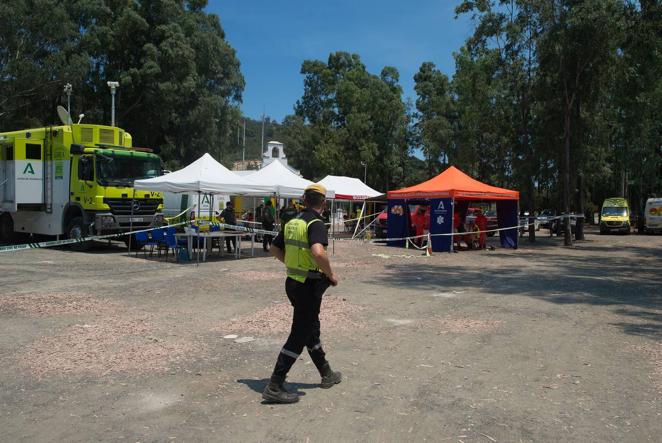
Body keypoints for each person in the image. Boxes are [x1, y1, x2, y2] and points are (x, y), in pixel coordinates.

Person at [262, 184, 341, 404]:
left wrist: (292, 264)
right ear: (323, 203)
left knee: (310, 329)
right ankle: (275, 385)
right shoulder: (316, 224)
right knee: (299, 334)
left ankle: (327, 374)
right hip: (308, 286)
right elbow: (318, 252)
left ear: (304, 200)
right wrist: (331, 274)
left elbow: (274, 249)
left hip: (293, 283)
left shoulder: (292, 222)